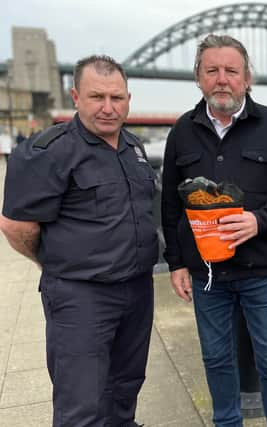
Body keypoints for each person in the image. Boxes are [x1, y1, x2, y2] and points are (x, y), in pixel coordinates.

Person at [161, 34, 267, 427]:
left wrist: (258, 220)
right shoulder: (182, 131)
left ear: (247, 78)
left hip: (262, 271)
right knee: (215, 358)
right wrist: (176, 263)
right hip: (207, 275)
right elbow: (169, 204)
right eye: (211, 70)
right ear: (198, 78)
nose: (222, 79)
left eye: (231, 70)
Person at [0, 55, 158, 427]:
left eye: (116, 98)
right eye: (96, 97)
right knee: (80, 403)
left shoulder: (133, 149)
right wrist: (54, 263)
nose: (108, 107)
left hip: (136, 292)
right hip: (81, 297)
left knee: (125, 388)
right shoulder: (50, 151)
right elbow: (15, 226)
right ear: (75, 96)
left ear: (128, 99)